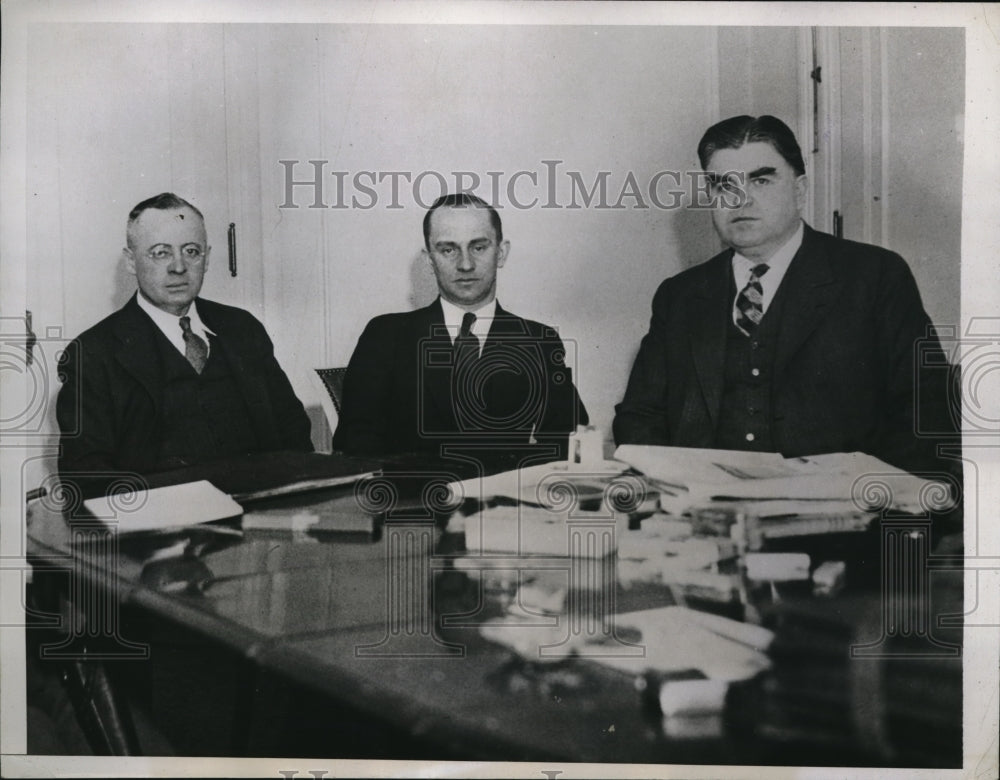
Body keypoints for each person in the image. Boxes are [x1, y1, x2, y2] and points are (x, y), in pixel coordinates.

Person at [614, 115, 958, 477]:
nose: (740, 199)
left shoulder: (874, 278)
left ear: (800, 191)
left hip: (838, 518)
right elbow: (640, 418)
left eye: (760, 180)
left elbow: (925, 413)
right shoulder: (680, 296)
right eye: (722, 185)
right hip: (706, 518)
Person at [56, 192, 313, 494]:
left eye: (191, 251)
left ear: (207, 257)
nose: (179, 267)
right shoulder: (93, 353)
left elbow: (293, 432)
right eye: (160, 253)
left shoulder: (243, 329)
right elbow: (87, 476)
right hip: (162, 528)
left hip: (261, 517)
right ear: (130, 261)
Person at [333, 192, 588, 463]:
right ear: (430, 260)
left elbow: (569, 442)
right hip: (413, 501)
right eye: (448, 250)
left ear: (501, 253)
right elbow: (354, 445)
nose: (465, 264)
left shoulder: (540, 340)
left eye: (479, 247)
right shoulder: (385, 336)